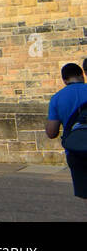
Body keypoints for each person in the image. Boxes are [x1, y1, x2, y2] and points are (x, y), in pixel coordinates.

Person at [46, 62, 87, 199]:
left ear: (64, 80)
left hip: (76, 152)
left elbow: (51, 133)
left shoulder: (57, 98)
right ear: (82, 75)